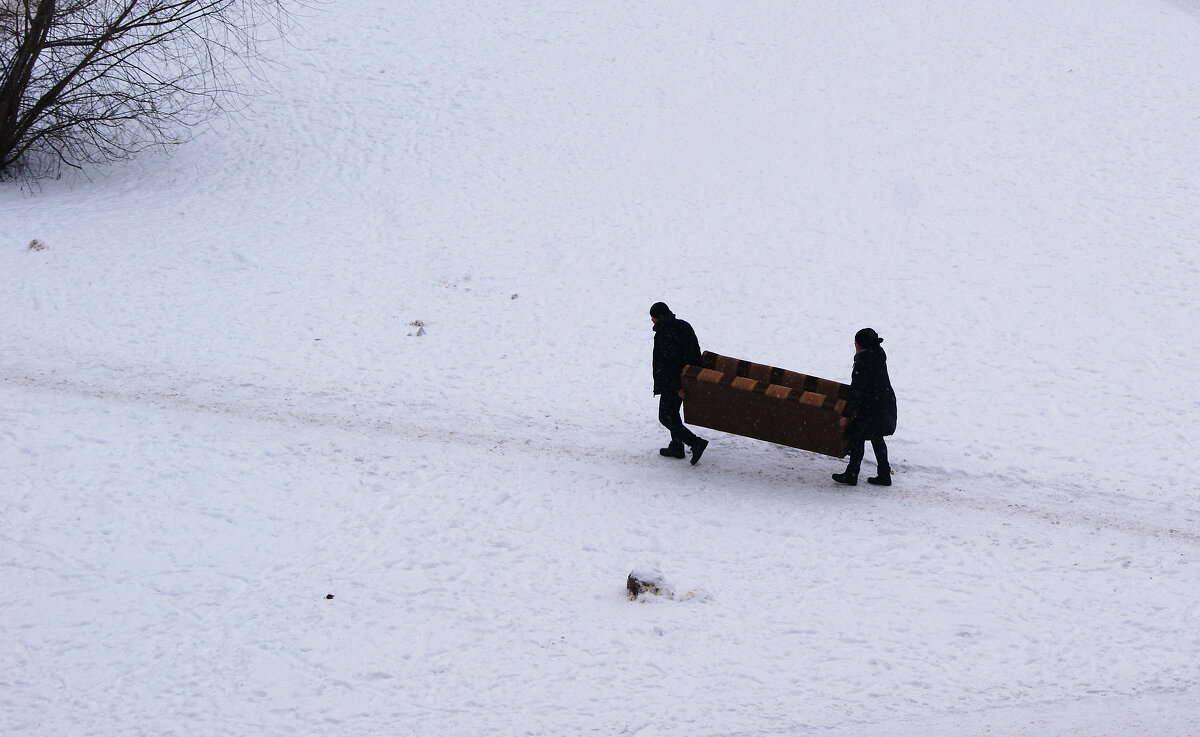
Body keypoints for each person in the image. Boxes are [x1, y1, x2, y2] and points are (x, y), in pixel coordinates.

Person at [833, 327, 897, 486]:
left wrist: (846, 415)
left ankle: (852, 474)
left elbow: (856, 392)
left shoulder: (863, 363)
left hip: (872, 407)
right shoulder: (878, 355)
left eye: (855, 343)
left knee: (857, 435)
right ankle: (884, 474)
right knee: (876, 436)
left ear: (860, 345)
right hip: (885, 403)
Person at [650, 302, 709, 465]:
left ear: (657, 318)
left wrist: (677, 387)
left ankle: (695, 442)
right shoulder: (683, 325)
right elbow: (694, 354)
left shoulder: (664, 333)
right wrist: (691, 379)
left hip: (673, 382)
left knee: (665, 417)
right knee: (673, 414)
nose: (652, 321)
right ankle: (676, 446)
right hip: (687, 378)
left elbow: (669, 363)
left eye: (653, 318)